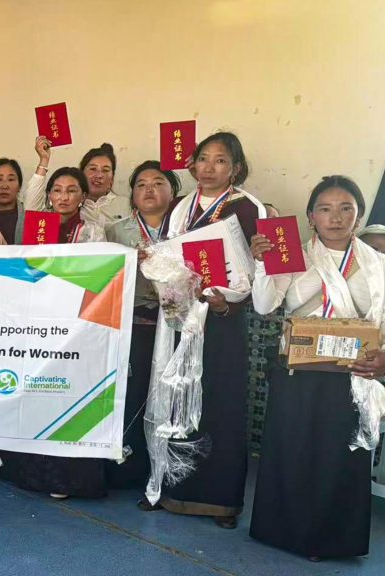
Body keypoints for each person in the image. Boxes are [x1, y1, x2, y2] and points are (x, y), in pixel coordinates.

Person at [249, 176, 383, 560]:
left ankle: (333, 539)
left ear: (358, 217)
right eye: (325, 209)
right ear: (311, 216)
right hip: (299, 368)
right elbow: (263, 305)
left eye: (346, 209)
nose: (335, 217)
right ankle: (281, 532)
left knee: (340, 455)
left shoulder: (378, 264)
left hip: (352, 370)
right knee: (293, 448)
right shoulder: (292, 253)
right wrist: (263, 264)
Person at [142, 131, 267, 528]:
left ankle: (221, 501)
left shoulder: (249, 208)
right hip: (181, 317)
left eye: (220, 161)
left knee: (219, 404)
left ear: (236, 168)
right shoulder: (181, 207)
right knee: (173, 397)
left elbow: (257, 269)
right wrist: (155, 262)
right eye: (203, 159)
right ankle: (167, 487)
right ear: (192, 164)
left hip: (224, 322)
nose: (209, 168)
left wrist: (227, 300)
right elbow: (170, 259)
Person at [0, 166, 107, 499]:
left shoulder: (92, 232)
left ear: (82, 196)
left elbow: (97, 276)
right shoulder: (36, 226)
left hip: (76, 324)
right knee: (36, 393)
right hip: (37, 321)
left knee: (68, 394)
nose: (63, 197)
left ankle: (65, 478)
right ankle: (31, 473)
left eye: (72, 190)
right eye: (57, 190)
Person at [104, 161, 181, 490]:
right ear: (132, 194)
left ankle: (166, 469)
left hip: (173, 325)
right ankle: (129, 469)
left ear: (172, 191)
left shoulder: (184, 229)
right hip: (131, 324)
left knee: (168, 396)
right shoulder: (117, 231)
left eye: (158, 182)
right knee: (132, 397)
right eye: (141, 184)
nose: (149, 190)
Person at [78, 143, 131, 227]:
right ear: (81, 174)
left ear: (112, 179)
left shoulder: (126, 205)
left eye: (105, 170)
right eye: (93, 169)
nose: (99, 175)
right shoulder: (70, 204)